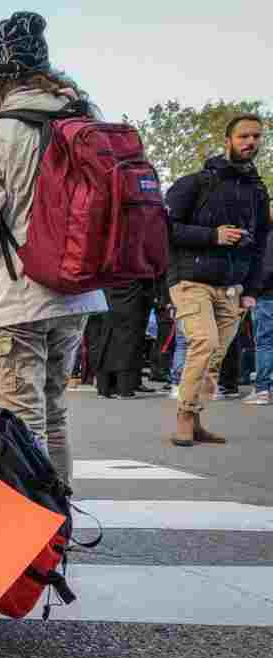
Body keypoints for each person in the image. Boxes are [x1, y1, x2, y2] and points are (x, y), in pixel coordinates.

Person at [0, 11, 107, 485]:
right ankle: (61, 521)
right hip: (76, 292)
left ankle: (33, 533)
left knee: (20, 421)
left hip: (19, 296)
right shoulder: (84, 126)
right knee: (55, 413)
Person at [165, 114, 269, 444]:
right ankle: (183, 416)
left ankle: (195, 419)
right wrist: (213, 236)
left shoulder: (257, 191)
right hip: (190, 279)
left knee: (214, 357)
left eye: (256, 136)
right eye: (243, 136)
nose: (250, 142)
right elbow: (166, 229)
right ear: (229, 140)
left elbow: (261, 244)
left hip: (232, 287)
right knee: (204, 343)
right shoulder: (195, 182)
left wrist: (252, 289)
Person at [95, 279, 157, 398]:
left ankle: (105, 388)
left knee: (106, 341)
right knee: (128, 343)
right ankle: (124, 388)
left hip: (107, 293)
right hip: (132, 295)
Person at [245, 231, 273, 405]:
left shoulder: (268, 235)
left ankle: (262, 389)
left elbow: (267, 268)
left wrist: (253, 291)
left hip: (267, 295)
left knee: (264, 343)